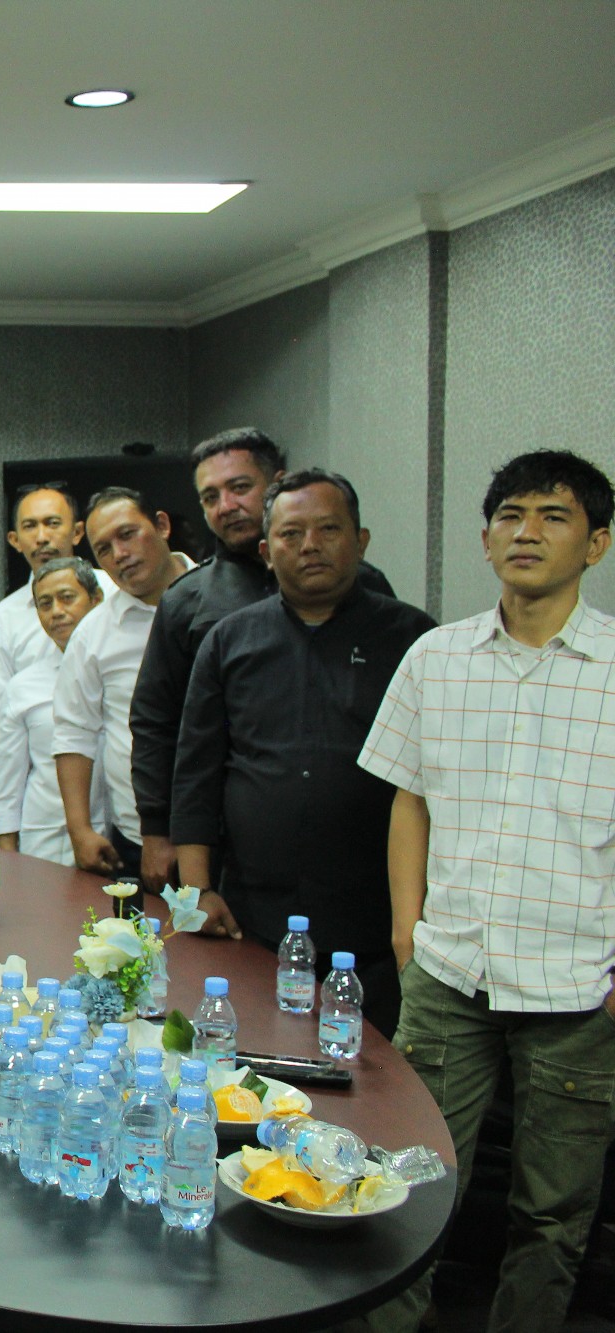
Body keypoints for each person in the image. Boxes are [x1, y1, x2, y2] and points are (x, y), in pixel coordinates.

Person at [358, 450, 613, 1333]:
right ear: (485, 538)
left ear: (597, 543)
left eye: (553, 515)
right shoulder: (437, 657)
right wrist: (407, 931)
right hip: (449, 971)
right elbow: (409, 799)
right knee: (406, 1183)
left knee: (553, 1214)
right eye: (510, 514)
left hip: (580, 986)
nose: (526, 532)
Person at [170, 471, 434, 1033]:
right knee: (262, 1050)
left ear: (361, 541)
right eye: (291, 534)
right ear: (267, 553)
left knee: (375, 1065)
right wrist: (197, 889)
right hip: (255, 914)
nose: (310, 545)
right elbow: (196, 771)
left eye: (328, 529)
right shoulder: (229, 640)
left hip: (378, 914)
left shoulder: (415, 640)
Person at [130, 428, 396, 888]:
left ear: (277, 483)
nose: (225, 506)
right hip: (231, 839)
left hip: (356, 843)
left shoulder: (364, 586)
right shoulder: (187, 601)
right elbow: (156, 720)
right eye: (210, 497)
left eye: (239, 488)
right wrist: (157, 828)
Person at [51, 488, 193, 876]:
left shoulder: (224, 598)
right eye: (103, 549)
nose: (119, 554)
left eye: (127, 534)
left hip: (229, 833)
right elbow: (73, 732)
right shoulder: (93, 634)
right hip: (138, 839)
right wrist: (80, 830)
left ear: (161, 525)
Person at [0, 483, 116, 839]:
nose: (41, 537)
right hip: (42, 801)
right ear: (14, 539)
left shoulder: (115, 592)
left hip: (118, 796)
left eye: (52, 523)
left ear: (78, 531)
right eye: (30, 526)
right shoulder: (5, 617)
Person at [0, 557, 108, 864]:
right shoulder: (23, 686)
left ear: (96, 600)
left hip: (117, 834)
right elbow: (9, 778)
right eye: (45, 603)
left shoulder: (124, 672)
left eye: (67, 598)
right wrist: (7, 850)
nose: (56, 611)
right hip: (45, 838)